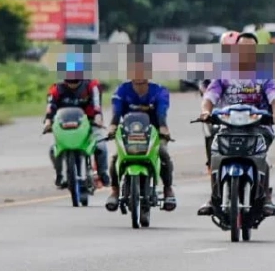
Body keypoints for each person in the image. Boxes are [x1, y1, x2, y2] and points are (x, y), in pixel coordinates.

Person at [196, 32, 275, 217]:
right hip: (227, 126)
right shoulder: (224, 74)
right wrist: (205, 111)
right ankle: (214, 198)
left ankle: (266, 197)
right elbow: (210, 96)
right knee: (216, 156)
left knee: (261, 158)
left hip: (258, 127)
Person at [104, 49, 176, 212]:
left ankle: (168, 189)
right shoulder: (121, 90)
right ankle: (114, 191)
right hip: (129, 133)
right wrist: (113, 126)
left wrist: (163, 128)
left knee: (163, 154)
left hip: (154, 132)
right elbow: (116, 112)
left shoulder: (160, 91)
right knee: (116, 158)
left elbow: (161, 111)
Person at [42, 54, 109, 188]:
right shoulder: (56, 88)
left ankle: (102, 173)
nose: (72, 84)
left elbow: (96, 104)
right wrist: (48, 121)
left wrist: (98, 117)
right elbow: (51, 105)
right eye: (69, 81)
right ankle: (60, 175)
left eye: (75, 81)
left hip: (90, 123)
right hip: (65, 125)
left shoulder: (92, 85)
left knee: (101, 146)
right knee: (53, 150)